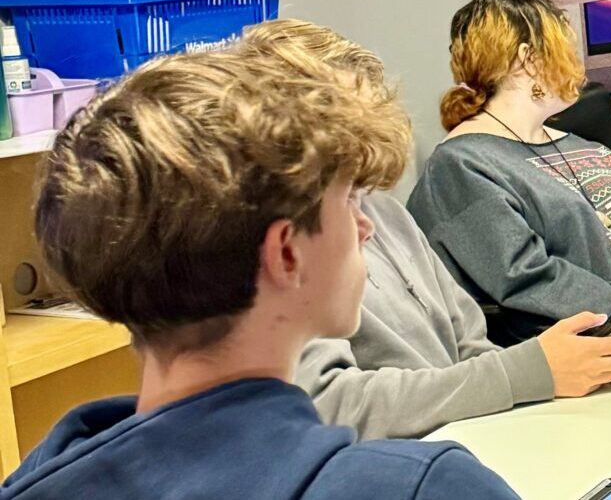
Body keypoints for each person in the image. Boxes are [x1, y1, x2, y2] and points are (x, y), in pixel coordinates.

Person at [0, 51, 520, 500]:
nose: (365, 227)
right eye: (347, 201)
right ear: (287, 253)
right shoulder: (426, 488)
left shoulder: (41, 478)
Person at [233, 19, 611, 440]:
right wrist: (526, 374)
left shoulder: (386, 213)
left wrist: (524, 403)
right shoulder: (278, 253)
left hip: (472, 436)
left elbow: (469, 339)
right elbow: (332, 403)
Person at [410, 0, 611, 346]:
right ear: (527, 60)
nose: (579, 66)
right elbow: (531, 280)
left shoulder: (583, 146)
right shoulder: (461, 167)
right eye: (565, 50)